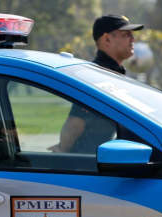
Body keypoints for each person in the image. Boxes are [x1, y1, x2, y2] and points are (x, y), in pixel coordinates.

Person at [50, 14, 143, 153]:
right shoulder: (97, 77)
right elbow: (75, 124)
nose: (132, 39)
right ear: (107, 39)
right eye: (126, 35)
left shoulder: (111, 72)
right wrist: (62, 152)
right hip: (87, 164)